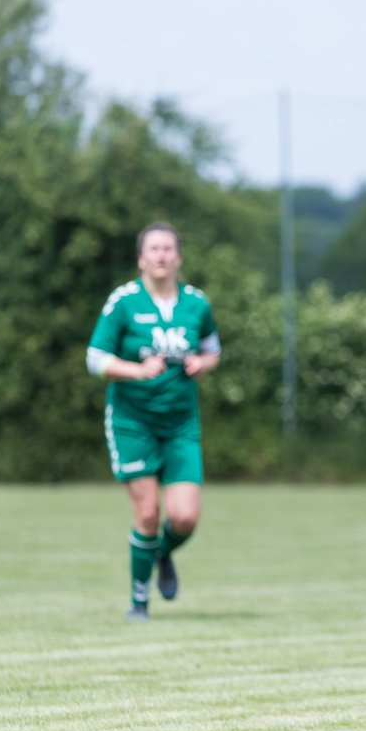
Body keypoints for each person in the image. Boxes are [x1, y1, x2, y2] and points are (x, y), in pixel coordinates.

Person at [87, 222, 221, 619]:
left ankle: (159, 554)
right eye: (154, 249)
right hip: (133, 421)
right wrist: (136, 370)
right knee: (147, 514)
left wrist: (203, 363)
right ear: (141, 258)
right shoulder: (123, 301)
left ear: (178, 257)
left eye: (168, 249)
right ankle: (138, 602)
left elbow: (214, 350)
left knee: (184, 517)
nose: (161, 255)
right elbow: (94, 359)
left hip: (180, 424)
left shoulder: (197, 303)